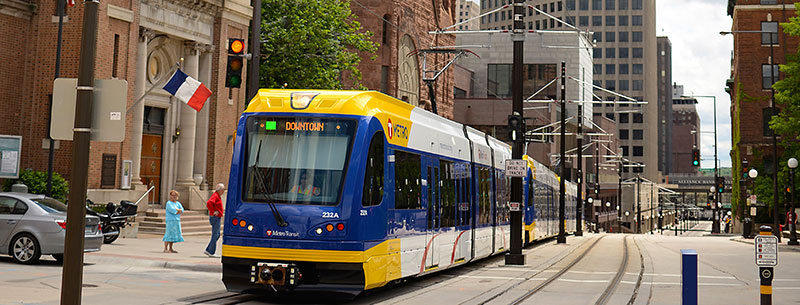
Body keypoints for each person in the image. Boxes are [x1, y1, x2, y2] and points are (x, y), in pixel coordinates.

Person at [204, 183, 225, 257]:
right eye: (223, 190)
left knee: (217, 234)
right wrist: (213, 212)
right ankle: (211, 251)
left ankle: (209, 249)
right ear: (220, 190)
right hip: (215, 217)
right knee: (215, 234)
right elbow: (209, 203)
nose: (223, 191)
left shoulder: (217, 196)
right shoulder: (215, 196)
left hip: (217, 217)